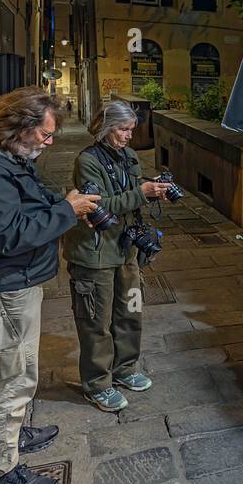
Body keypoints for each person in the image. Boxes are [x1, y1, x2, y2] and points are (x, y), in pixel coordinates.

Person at [0, 88, 100, 484]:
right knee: (5, 381)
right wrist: (67, 211)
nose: (49, 143)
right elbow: (10, 235)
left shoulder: (5, 158)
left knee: (19, 369)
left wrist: (64, 203)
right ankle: (2, 476)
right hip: (1, 289)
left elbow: (23, 211)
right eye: (46, 136)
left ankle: (11, 435)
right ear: (19, 127)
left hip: (11, 285)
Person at [63, 101, 169, 411]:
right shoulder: (87, 161)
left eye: (131, 130)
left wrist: (153, 189)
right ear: (106, 128)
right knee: (97, 320)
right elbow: (99, 205)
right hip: (94, 252)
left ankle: (125, 370)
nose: (128, 136)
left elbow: (131, 190)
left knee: (129, 313)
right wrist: (142, 192)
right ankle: (97, 384)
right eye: (123, 130)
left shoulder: (129, 156)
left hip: (125, 248)